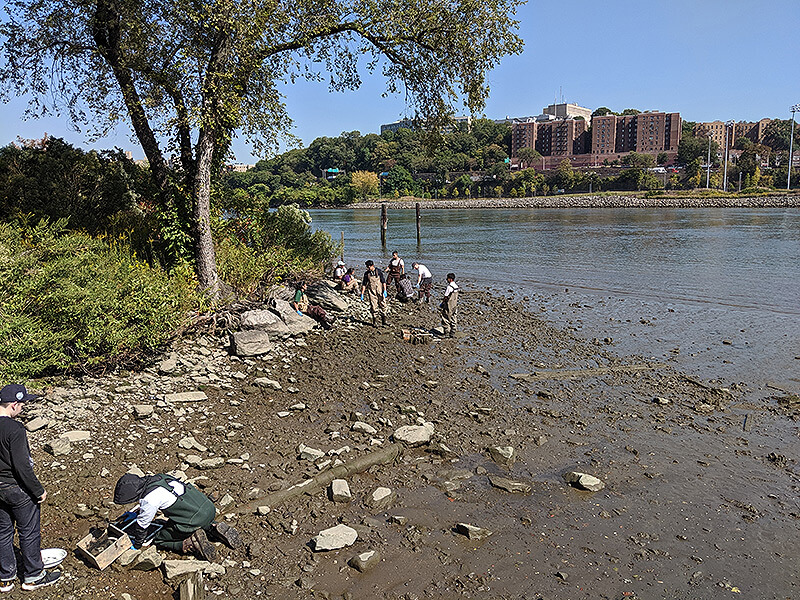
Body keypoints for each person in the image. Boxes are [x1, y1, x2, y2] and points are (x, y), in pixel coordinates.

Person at [0, 384, 61, 591]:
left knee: (3, 532)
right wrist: (38, 490)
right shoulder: (15, 429)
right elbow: (22, 466)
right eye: (23, 404)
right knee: (29, 532)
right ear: (14, 405)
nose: (24, 408)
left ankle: (6, 578)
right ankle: (33, 576)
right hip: (17, 488)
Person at [113, 472, 240, 560]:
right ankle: (213, 527)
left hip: (193, 519)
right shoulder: (158, 478)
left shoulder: (149, 500)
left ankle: (190, 542)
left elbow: (142, 525)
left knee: (158, 539)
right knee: (199, 519)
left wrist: (137, 544)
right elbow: (160, 498)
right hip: (208, 507)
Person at [360, 260, 388, 327]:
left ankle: (384, 321)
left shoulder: (378, 271)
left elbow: (383, 281)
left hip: (380, 291)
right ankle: (374, 322)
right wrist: (362, 294)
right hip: (372, 292)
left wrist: (385, 290)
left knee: (383, 305)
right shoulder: (367, 274)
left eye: (368, 266)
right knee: (374, 306)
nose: (367, 268)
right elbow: (364, 284)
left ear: (371, 266)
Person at [439, 272, 459, 338]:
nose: (446, 280)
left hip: (448, 305)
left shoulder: (449, 287)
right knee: (453, 318)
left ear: (450, 279)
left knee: (445, 318)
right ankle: (452, 333)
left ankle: (446, 333)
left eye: (447, 278)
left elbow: (446, 296)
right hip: (454, 305)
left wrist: (442, 304)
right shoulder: (456, 287)